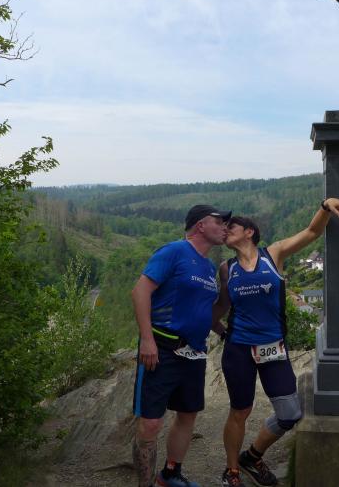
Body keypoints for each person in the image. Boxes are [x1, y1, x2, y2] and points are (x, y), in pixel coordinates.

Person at [213, 198, 339, 487]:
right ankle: (232, 471)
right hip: (238, 349)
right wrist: (214, 328)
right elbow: (221, 306)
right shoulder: (226, 268)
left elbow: (311, 232)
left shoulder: (273, 254)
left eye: (232, 226)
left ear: (249, 231)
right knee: (240, 411)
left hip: (272, 348)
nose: (226, 230)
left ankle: (252, 457)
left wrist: (325, 206)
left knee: (289, 414)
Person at [131, 204, 231, 487]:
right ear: (201, 225)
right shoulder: (174, 251)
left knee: (187, 415)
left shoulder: (208, 267)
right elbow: (140, 292)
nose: (224, 227)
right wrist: (147, 339)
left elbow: (205, 312)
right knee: (151, 422)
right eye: (219, 221)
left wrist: (223, 324)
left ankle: (170, 475)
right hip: (162, 348)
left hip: (195, 351)